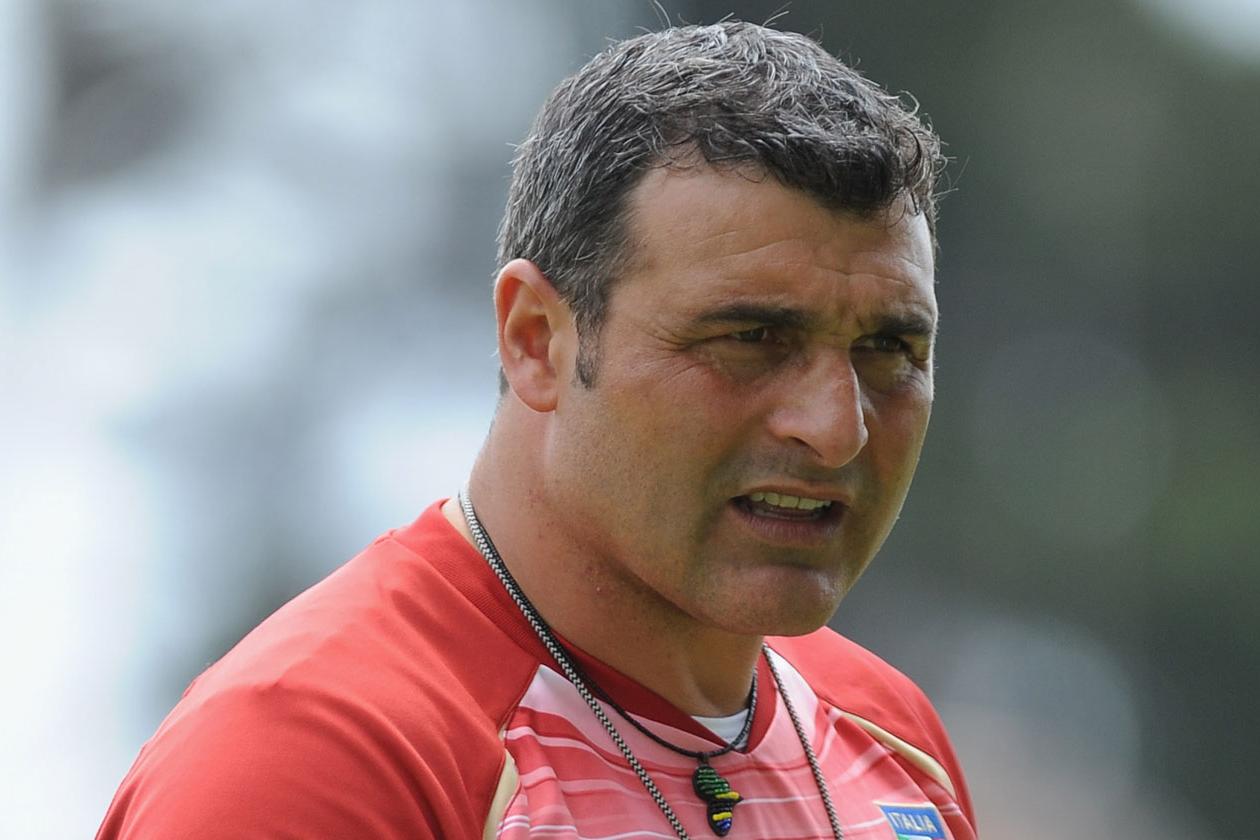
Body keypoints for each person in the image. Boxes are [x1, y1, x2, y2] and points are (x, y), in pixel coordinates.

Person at [98, 21, 977, 840]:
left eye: (890, 348)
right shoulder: (311, 756)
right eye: (750, 339)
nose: (836, 429)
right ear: (536, 340)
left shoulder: (891, 736)